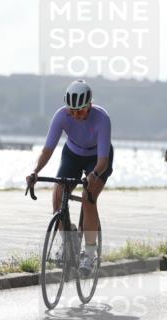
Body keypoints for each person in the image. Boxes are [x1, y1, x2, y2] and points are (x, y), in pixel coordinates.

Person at [26, 80, 112, 276]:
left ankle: (89, 254)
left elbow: (104, 161)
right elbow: (47, 150)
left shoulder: (102, 118)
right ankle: (69, 240)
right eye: (71, 110)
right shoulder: (61, 116)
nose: (75, 115)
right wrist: (35, 171)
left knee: (88, 198)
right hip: (72, 154)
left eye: (80, 111)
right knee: (58, 194)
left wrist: (94, 175)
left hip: (97, 158)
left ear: (89, 105)